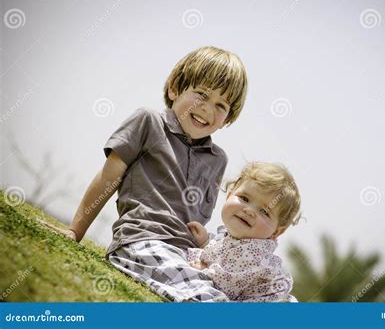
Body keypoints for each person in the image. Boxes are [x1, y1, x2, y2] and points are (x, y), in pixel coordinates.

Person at [44, 46, 248, 302]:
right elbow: (108, 178)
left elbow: (198, 220)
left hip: (186, 256)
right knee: (208, 298)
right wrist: (75, 231)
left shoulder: (218, 159)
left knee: (242, 290)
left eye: (221, 105)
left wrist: (204, 248)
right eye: (201, 94)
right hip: (140, 241)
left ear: (228, 117)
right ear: (175, 89)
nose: (208, 109)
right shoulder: (148, 122)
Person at [187, 162, 302, 302]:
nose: (249, 210)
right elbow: (222, 257)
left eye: (264, 211)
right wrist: (205, 242)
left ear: (276, 232)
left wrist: (203, 271)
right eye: (244, 199)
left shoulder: (253, 252)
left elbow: (226, 285)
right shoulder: (235, 239)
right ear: (229, 195)